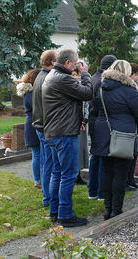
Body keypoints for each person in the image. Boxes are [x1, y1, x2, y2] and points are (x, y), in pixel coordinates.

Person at [42, 49, 93, 227]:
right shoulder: (63, 78)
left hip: (55, 132)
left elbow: (67, 103)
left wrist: (79, 118)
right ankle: (65, 215)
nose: (77, 65)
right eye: (76, 62)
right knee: (69, 175)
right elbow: (87, 93)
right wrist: (85, 74)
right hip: (64, 134)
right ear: (68, 63)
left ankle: (55, 211)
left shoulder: (52, 75)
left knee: (57, 173)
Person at [90, 60, 138, 220]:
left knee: (107, 172)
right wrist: (135, 126)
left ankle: (107, 209)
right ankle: (116, 210)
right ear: (126, 72)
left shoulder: (101, 87)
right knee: (120, 174)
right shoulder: (128, 90)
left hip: (103, 132)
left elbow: (95, 108)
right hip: (123, 134)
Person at [88, 55, 117, 201]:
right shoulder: (103, 81)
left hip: (93, 120)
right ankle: (101, 192)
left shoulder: (94, 78)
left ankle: (92, 190)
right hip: (100, 121)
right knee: (101, 157)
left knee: (95, 156)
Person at [32, 49, 58, 208]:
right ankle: (47, 198)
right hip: (45, 127)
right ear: (53, 62)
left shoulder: (39, 76)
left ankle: (48, 196)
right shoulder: (47, 78)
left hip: (41, 125)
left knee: (46, 162)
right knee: (49, 163)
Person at [17, 69, 41, 188]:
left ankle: (38, 180)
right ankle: (38, 181)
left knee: (36, 154)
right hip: (34, 123)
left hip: (30, 123)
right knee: (37, 154)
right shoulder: (32, 93)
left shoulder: (27, 92)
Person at [126, 63, 138, 190]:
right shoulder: (129, 87)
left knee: (134, 155)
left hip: (136, 126)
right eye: (136, 74)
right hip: (130, 125)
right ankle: (127, 181)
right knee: (129, 156)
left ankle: (131, 179)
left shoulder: (134, 86)